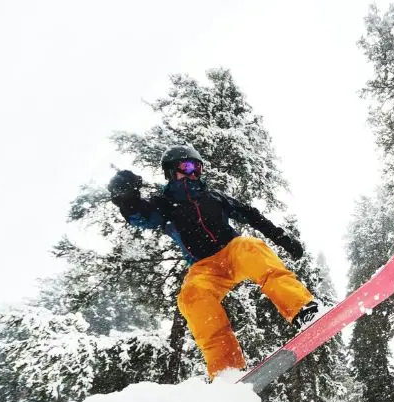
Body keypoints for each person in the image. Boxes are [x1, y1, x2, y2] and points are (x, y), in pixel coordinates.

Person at [107, 144, 319, 379]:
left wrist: (283, 239)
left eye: (198, 167)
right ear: (170, 171)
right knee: (191, 296)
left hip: (232, 251)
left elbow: (251, 215)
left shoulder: (213, 197)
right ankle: (227, 368)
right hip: (204, 267)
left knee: (251, 246)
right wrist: (126, 199)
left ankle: (302, 310)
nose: (194, 173)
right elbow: (141, 218)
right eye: (188, 166)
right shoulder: (163, 205)